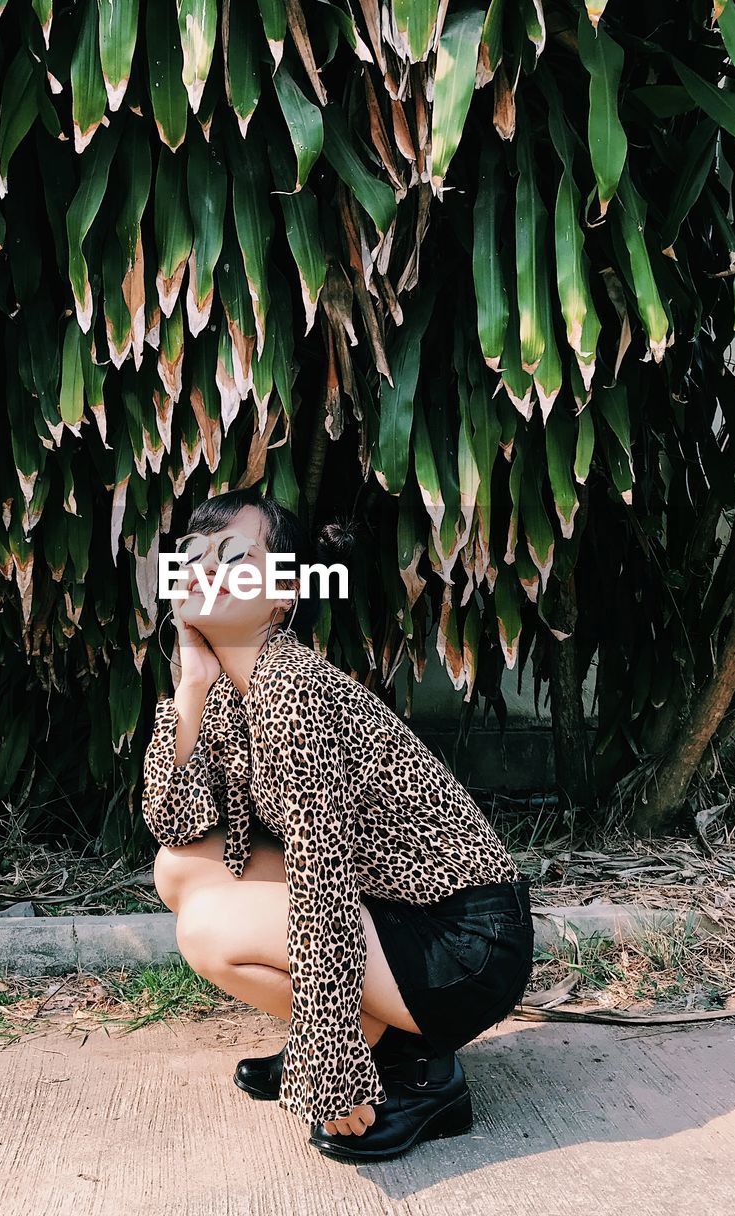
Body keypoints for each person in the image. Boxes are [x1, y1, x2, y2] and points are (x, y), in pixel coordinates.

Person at [141, 487, 534, 1163]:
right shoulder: (234, 687)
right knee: (183, 866)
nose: (202, 567)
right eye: (193, 553)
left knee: (209, 928)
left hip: (463, 944)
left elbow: (322, 885)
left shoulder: (291, 687)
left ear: (283, 595)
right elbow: (172, 819)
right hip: (393, 914)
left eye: (232, 554)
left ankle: (408, 1069)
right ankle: (368, 1035)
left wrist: (333, 1070)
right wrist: (190, 687)